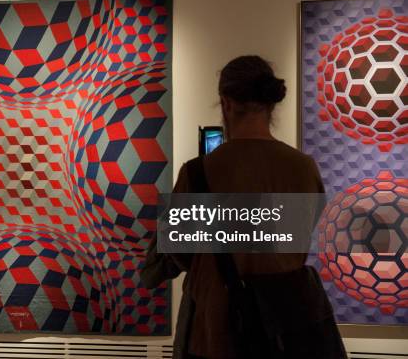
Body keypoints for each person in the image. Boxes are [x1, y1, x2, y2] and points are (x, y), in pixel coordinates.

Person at [141, 56, 347, 359]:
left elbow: (178, 256)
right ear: (271, 105)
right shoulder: (304, 168)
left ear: (225, 103)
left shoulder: (198, 172)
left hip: (214, 333)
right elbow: (298, 239)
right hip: (285, 332)